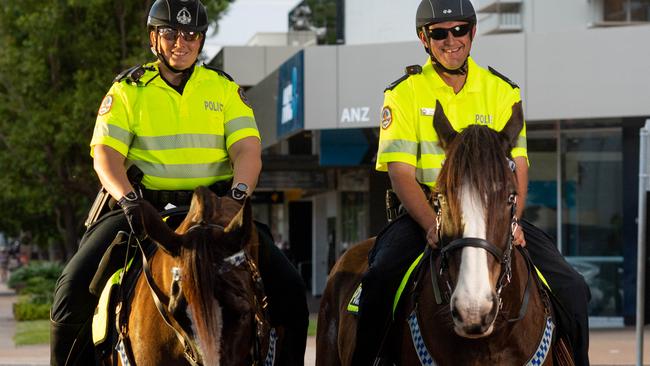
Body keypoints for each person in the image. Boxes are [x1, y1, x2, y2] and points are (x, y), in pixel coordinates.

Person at [50, 1, 309, 365]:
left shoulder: (222, 88)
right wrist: (127, 200)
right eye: (170, 33)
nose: (180, 43)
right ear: (154, 38)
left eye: (190, 35)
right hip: (142, 209)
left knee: (291, 291)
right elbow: (105, 156)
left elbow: (248, 151)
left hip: (217, 210)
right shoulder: (129, 89)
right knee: (72, 290)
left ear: (201, 40)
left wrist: (237, 197)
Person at [352, 0, 591, 365]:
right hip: (427, 217)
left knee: (573, 289)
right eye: (440, 33)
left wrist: (513, 222)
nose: (451, 40)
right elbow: (400, 172)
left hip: (494, 217)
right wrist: (431, 224)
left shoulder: (502, 90)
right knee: (379, 282)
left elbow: (519, 165)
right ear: (424, 39)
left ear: (473, 32)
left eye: (460, 30)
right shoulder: (403, 94)